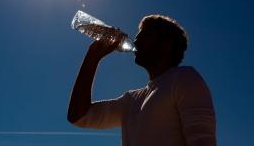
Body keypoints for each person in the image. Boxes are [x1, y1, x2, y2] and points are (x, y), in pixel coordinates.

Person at [67, 14, 217, 146]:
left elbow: (203, 141)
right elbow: (79, 116)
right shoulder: (130, 100)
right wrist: (92, 57)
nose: (136, 42)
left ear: (166, 44)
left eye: (143, 37)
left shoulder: (184, 78)